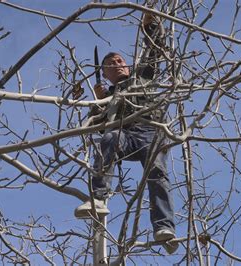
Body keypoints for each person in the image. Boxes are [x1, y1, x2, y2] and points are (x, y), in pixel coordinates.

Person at [74, 12, 178, 255]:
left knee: (157, 173)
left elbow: (153, 50)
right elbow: (95, 128)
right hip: (125, 134)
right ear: (105, 74)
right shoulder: (107, 97)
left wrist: (150, 26)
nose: (118, 64)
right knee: (108, 139)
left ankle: (164, 227)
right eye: (111, 64)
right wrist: (100, 102)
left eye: (120, 61)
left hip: (151, 130)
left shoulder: (142, 77)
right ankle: (98, 198)